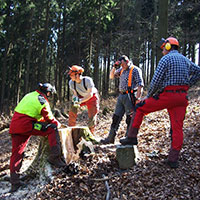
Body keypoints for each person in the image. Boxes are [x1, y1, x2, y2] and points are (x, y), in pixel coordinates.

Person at [120, 37, 200, 168]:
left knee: (140, 107)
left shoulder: (166, 59)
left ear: (168, 47)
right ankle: (173, 159)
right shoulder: (185, 60)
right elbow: (198, 71)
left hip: (168, 95)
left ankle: (132, 137)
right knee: (177, 127)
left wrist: (149, 96)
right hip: (182, 97)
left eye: (163, 47)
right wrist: (187, 85)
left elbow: (156, 81)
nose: (162, 49)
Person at [9, 83, 66, 192]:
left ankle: (14, 182)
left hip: (15, 125)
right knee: (52, 128)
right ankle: (55, 156)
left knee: (17, 153)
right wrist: (59, 125)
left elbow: (31, 113)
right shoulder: (42, 100)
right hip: (27, 125)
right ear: (48, 93)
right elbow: (49, 118)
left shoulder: (29, 95)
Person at [101, 55, 144, 144]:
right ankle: (110, 137)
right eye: (121, 65)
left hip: (130, 95)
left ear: (127, 61)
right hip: (121, 96)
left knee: (130, 118)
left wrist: (138, 98)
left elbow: (140, 84)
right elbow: (111, 76)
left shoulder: (135, 70)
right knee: (116, 117)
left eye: (123, 64)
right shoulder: (121, 70)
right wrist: (114, 67)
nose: (122, 66)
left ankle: (129, 137)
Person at [68, 65, 99, 134]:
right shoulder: (71, 82)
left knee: (92, 115)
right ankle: (71, 129)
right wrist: (76, 101)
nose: (70, 76)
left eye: (72, 74)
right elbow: (75, 94)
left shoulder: (87, 80)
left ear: (77, 74)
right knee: (72, 109)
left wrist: (81, 101)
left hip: (91, 98)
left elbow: (90, 94)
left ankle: (91, 133)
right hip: (81, 96)